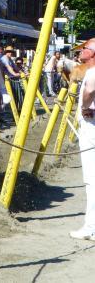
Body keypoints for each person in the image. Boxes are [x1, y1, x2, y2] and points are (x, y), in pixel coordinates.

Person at [70, 39, 95, 241]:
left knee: (91, 179)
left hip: (91, 127)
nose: (82, 50)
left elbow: (88, 91)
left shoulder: (93, 72)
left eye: (85, 48)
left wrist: (86, 107)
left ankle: (91, 227)